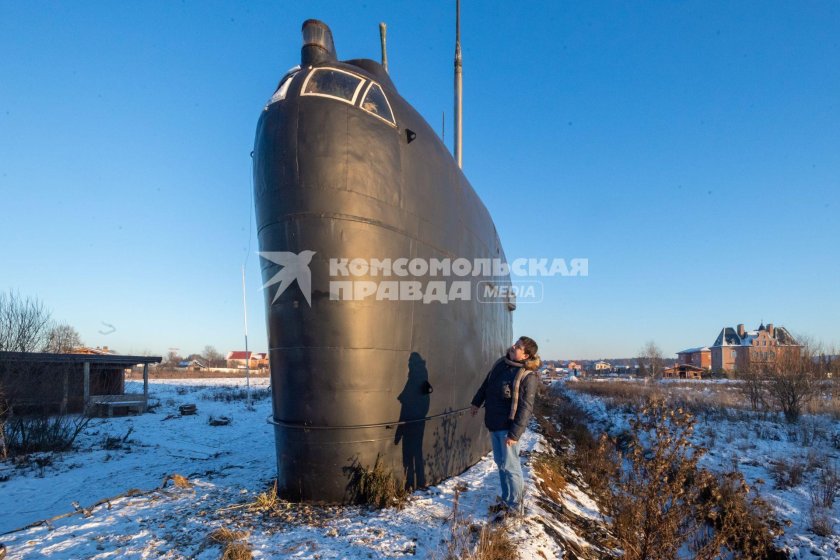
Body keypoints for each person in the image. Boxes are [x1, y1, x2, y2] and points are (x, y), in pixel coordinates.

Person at [470, 336, 540, 519]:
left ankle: (516, 507)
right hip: (494, 423)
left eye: (518, 347)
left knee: (511, 466)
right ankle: (506, 500)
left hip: (508, 428)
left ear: (526, 355)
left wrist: (515, 434)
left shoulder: (527, 376)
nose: (512, 347)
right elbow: (487, 385)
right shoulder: (501, 364)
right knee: (501, 465)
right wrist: (476, 403)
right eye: (515, 344)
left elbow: (526, 409)